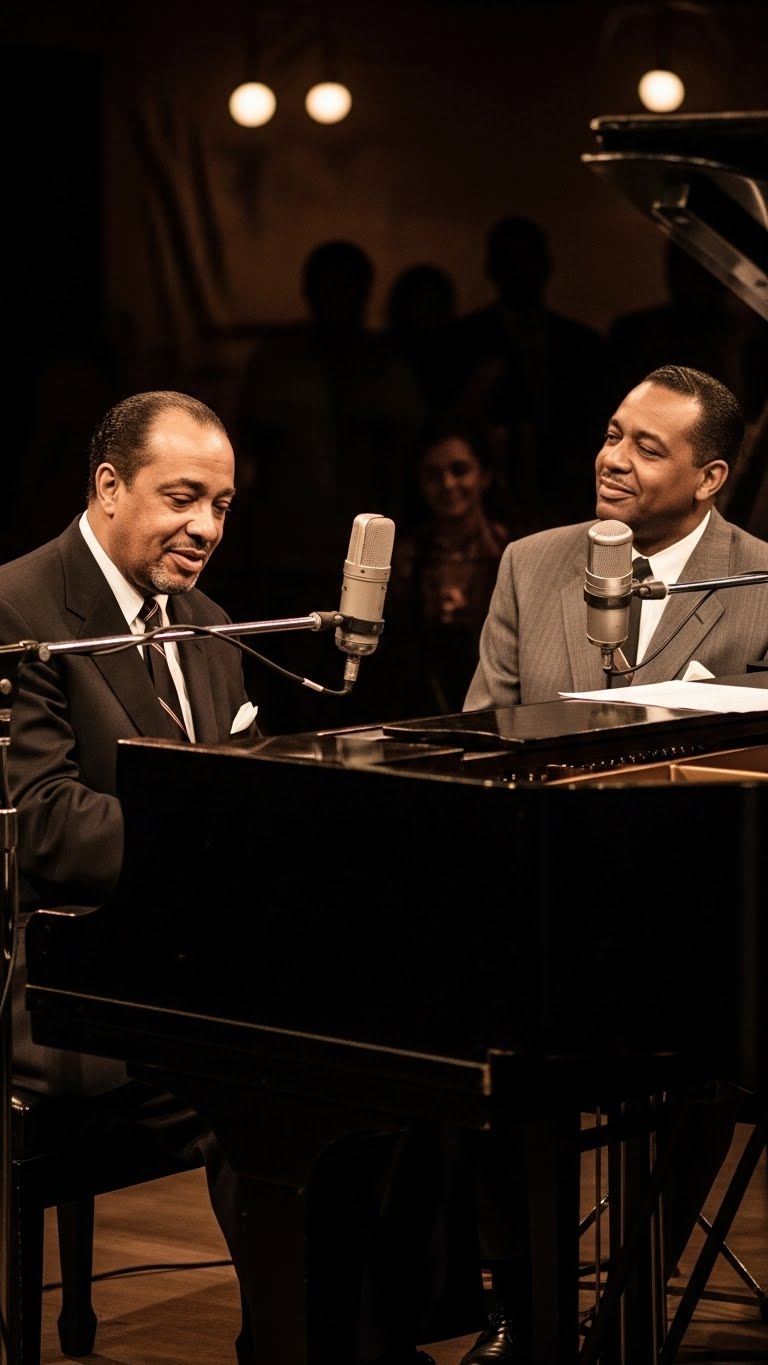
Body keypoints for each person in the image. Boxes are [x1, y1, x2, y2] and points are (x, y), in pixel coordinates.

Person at [459, 363, 768, 1362]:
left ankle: (634, 1299)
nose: (613, 459)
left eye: (647, 446)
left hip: (702, 917)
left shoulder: (762, 585)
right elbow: (481, 735)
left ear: (711, 477)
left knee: (705, 1049)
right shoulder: (531, 563)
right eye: (611, 434)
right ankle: (518, 1303)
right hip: (543, 902)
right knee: (472, 1037)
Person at [452, 215, 617, 534]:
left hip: (570, 490)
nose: (520, 273)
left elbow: (597, 417)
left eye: (527, 261)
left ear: (546, 266)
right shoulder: (464, 340)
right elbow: (454, 419)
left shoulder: (581, 343)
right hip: (492, 488)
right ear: (492, 270)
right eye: (511, 262)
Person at [380, 413, 513, 716]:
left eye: (459, 470)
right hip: (422, 708)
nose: (448, 484)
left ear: (485, 475)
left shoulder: (512, 550)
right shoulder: (404, 558)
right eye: (433, 474)